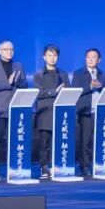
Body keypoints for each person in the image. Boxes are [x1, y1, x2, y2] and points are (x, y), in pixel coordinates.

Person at [0, 41, 28, 182]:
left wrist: (18, 82)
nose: (9, 52)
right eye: (5, 49)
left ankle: (16, 169)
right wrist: (7, 83)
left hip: (15, 108)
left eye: (11, 49)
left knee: (15, 141)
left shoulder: (18, 65)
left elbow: (25, 84)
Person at [71, 48, 105, 177]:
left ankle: (99, 165)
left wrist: (101, 86)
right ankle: (85, 167)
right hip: (86, 112)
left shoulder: (103, 74)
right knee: (85, 141)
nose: (90, 59)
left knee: (99, 140)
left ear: (99, 60)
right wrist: (89, 87)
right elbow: (75, 91)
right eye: (88, 57)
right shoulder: (78, 74)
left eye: (93, 57)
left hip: (100, 112)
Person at [33, 44, 71, 179]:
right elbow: (38, 93)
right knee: (44, 143)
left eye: (55, 56)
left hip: (60, 113)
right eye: (49, 55)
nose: (52, 58)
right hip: (45, 113)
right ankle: (44, 168)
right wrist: (54, 91)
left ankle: (58, 166)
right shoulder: (39, 75)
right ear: (44, 57)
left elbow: (69, 91)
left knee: (59, 142)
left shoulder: (63, 74)